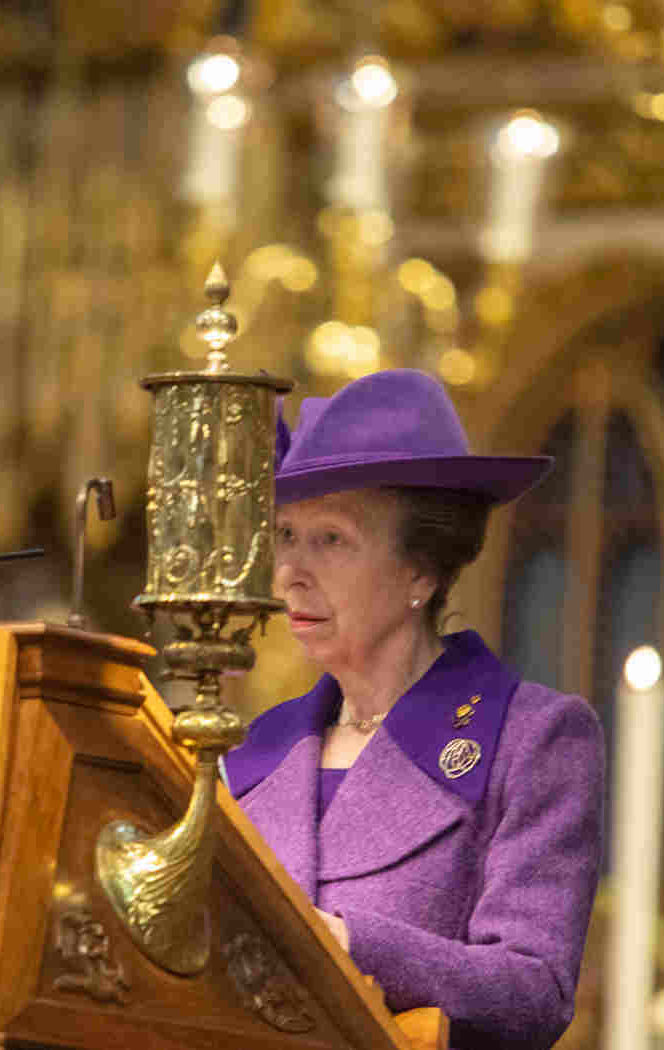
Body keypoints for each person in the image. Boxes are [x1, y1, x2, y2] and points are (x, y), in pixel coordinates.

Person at [221, 369, 605, 1050]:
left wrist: (348, 943)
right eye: (284, 535)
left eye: (330, 539)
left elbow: (534, 990)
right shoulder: (251, 753)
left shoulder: (533, 738)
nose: (288, 573)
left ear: (420, 573)